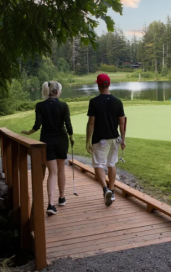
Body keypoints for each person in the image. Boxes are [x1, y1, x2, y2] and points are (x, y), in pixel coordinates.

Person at [21, 81, 74, 215]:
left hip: (47, 141)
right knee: (61, 170)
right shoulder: (63, 105)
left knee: (52, 172)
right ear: (57, 92)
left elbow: (38, 125)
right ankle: (61, 198)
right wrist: (71, 137)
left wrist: (29, 132)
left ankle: (50, 204)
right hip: (61, 140)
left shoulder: (40, 106)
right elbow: (68, 124)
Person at [86, 74, 126, 206]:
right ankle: (112, 190)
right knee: (111, 164)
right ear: (109, 84)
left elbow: (91, 123)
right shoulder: (117, 101)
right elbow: (122, 123)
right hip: (115, 138)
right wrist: (123, 140)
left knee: (98, 165)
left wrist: (88, 140)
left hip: (100, 139)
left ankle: (105, 189)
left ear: (98, 85)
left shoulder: (94, 102)